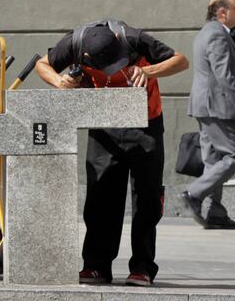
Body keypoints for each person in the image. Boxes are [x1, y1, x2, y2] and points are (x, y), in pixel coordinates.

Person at [36, 19, 188, 286]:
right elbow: (42, 64)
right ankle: (96, 266)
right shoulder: (75, 42)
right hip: (103, 125)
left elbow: (181, 60)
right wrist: (60, 82)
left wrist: (150, 71)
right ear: (85, 56)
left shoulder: (133, 37)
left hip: (146, 124)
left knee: (147, 199)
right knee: (100, 196)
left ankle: (142, 267)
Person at [181, 0, 235, 230]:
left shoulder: (205, 33)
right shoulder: (218, 36)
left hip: (205, 106)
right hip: (218, 106)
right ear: (222, 12)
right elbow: (225, 76)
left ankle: (216, 212)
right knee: (234, 155)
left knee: (213, 160)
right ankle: (193, 194)